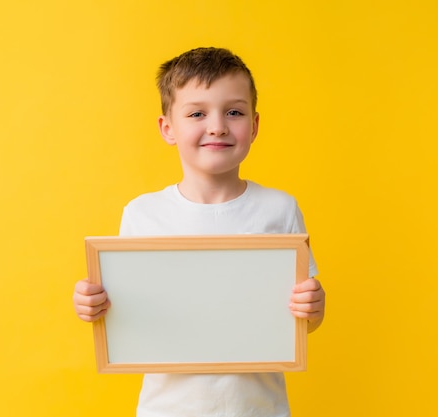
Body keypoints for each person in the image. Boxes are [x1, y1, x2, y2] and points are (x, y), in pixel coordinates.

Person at [72, 47, 325, 417]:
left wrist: (314, 308)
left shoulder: (279, 209)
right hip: (167, 409)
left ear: (254, 126)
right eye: (197, 113)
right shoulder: (143, 214)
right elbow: (127, 314)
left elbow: (304, 319)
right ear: (168, 128)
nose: (218, 125)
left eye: (234, 112)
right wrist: (93, 304)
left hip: (259, 409)